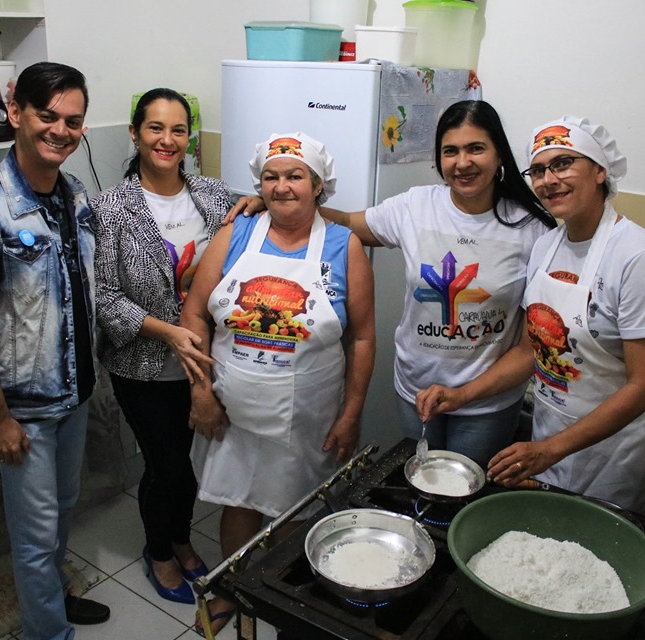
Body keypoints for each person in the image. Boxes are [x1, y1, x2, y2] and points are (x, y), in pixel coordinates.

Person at [228, 100, 555, 469]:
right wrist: (277, 201)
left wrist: (464, 394)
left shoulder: (532, 229)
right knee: (418, 480)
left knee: (466, 488)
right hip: (416, 389)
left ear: (499, 154)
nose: (462, 162)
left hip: (486, 402)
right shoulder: (416, 206)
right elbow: (347, 222)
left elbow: (530, 349)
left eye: (475, 148)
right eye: (450, 151)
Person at [417, 116, 645, 514]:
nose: (548, 180)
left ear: (600, 170)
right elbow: (529, 351)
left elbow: (644, 387)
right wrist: (461, 395)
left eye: (563, 164)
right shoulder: (547, 246)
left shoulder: (639, 257)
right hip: (548, 429)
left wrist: (551, 450)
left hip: (613, 452)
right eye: (538, 170)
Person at [181, 132, 375, 636]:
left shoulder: (344, 245)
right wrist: (201, 392)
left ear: (318, 185)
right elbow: (194, 314)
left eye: (295, 176)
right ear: (259, 184)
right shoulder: (235, 234)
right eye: (271, 176)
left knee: (297, 507)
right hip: (232, 409)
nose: (282, 186)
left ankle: (288, 602)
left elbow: (362, 337)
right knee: (239, 502)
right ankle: (233, 592)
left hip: (309, 415)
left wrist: (352, 412)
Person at [0, 62, 109, 639]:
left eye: (74, 121)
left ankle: (54, 602)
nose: (61, 131)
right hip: (26, 411)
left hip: (75, 394)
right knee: (35, 539)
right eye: (48, 116)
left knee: (62, 513)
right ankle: (48, 633)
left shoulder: (74, 195)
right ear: (16, 114)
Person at [91, 88, 245, 605]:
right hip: (144, 363)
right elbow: (103, 296)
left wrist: (259, 200)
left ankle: (180, 539)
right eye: (155, 127)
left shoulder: (213, 195)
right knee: (167, 466)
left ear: (189, 138)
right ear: (135, 134)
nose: (167, 139)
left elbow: (247, 242)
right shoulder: (109, 208)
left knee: (191, 462)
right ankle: (159, 552)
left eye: (178, 129)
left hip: (207, 360)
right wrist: (169, 331)